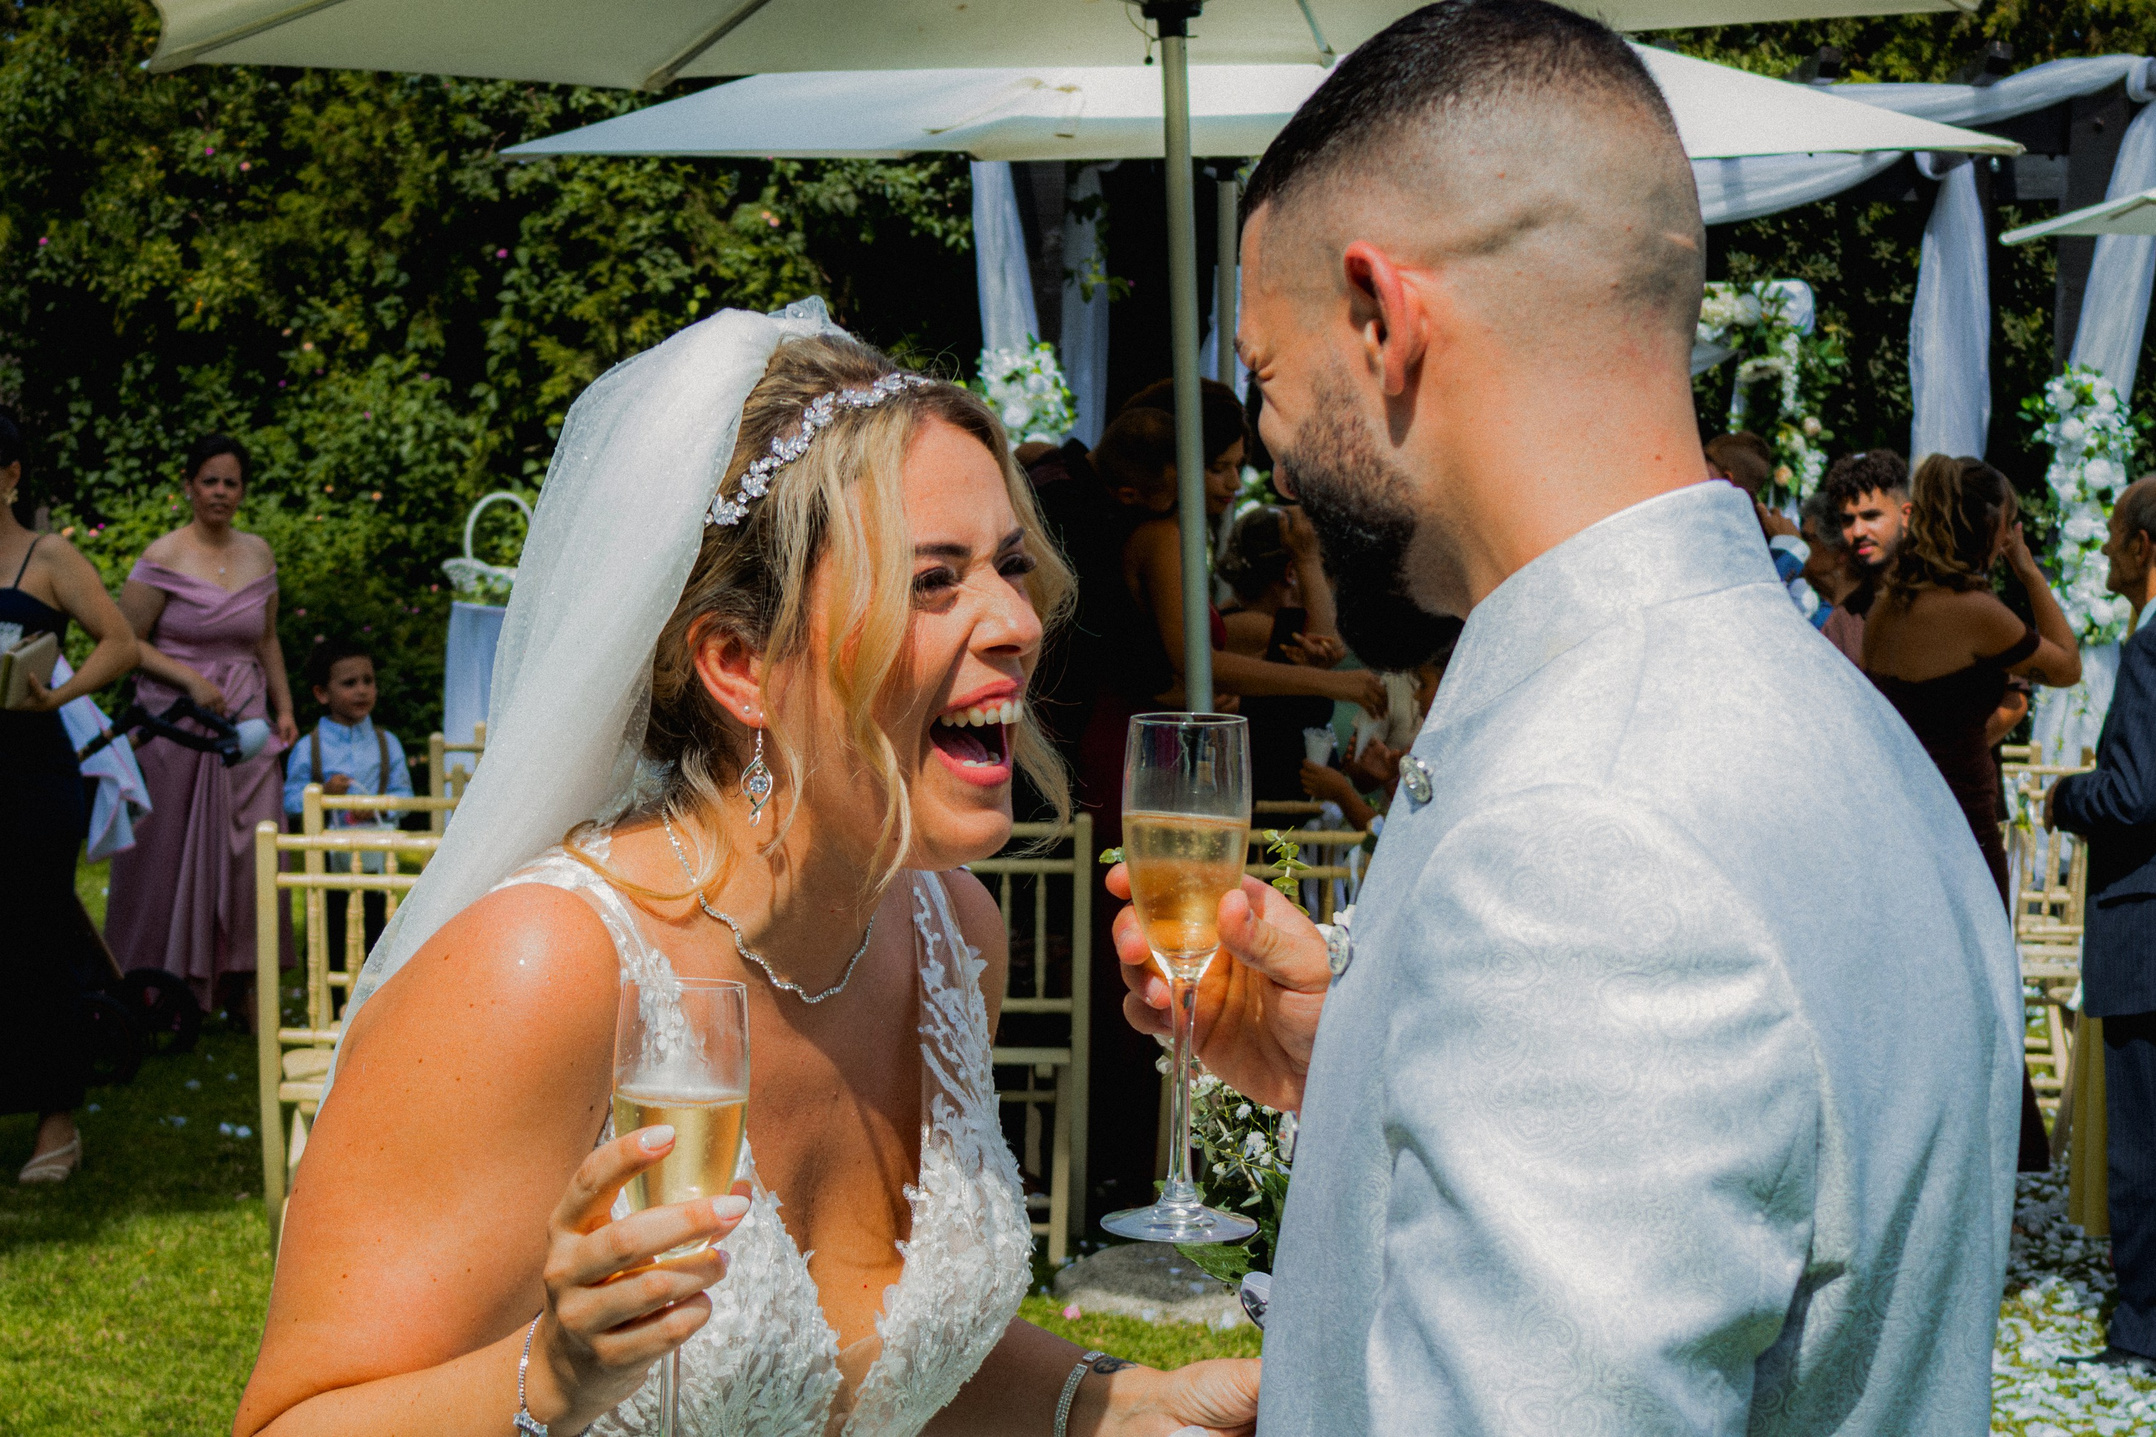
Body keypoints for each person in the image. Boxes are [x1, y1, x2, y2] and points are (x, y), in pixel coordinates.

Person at [1113, 5, 2025, 1432]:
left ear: (1381, 320)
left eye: (1272, 380)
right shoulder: (1830, 723)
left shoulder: (1587, 843)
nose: (1270, 460)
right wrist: (1351, 1055)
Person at [234, 311, 1259, 1437]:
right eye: (932, 581)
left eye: (1011, 567)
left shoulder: (953, 934)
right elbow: (290, 1422)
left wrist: (1121, 1402)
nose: (1016, 621)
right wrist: (547, 1380)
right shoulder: (545, 971)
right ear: (739, 664)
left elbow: (879, 1365)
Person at [107, 434, 297, 1020]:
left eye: (230, 482)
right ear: (188, 485)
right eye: (209, 480)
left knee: (254, 852)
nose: (219, 492)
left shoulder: (259, 554)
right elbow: (122, 641)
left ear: (243, 490)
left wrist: (285, 710)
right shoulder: (162, 556)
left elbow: (266, 640)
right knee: (164, 854)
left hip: (246, 722)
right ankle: (158, 985)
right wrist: (187, 679)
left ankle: (244, 983)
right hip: (175, 723)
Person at [0, 415, 138, 1183]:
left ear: (12, 474)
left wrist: (58, 697)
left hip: (30, 775)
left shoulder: (47, 555)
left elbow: (116, 640)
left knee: (39, 937)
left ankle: (56, 1120)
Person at [2044, 475, 2156, 1372]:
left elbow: (2133, 796)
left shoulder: (2153, 652)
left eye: (2117, 533)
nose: (2109, 550)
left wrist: (2063, 794)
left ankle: (2141, 1328)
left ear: (2146, 545)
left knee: (2143, 1149)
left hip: (2146, 933)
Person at [1862, 455, 2080, 901]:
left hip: (1894, 815)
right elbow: (2067, 667)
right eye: (2010, 523)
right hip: (1958, 815)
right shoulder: (1975, 612)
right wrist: (2028, 572)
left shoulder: (1887, 606)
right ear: (1991, 527)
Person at [283, 638, 415, 961]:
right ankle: (334, 993)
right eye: (349, 683)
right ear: (321, 694)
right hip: (329, 864)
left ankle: (374, 997)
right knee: (331, 933)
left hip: (376, 859)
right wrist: (323, 794)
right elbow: (289, 799)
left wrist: (379, 807)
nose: (361, 690)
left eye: (368, 681)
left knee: (378, 930)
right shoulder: (309, 747)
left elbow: (405, 796)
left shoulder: (387, 743)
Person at [1218, 504, 1345, 801]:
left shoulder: (1238, 619)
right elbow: (1329, 646)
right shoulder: (1257, 628)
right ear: (1291, 573)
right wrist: (1308, 557)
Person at [1820, 448, 1910, 663]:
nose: (1858, 531)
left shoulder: (1947, 598)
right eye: (1848, 520)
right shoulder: (1842, 623)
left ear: (1906, 516)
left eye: (1871, 516)